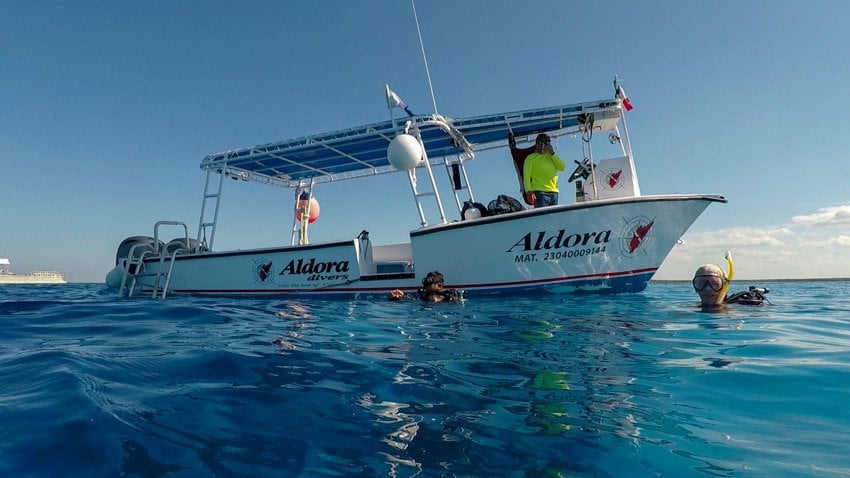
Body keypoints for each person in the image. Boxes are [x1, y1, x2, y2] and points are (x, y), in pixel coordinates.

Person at [692, 252, 769, 307]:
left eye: (715, 283)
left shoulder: (743, 306)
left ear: (725, 286)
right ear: (695, 288)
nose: (708, 289)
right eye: (701, 283)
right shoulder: (691, 308)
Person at [523, 133, 565, 208]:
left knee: (553, 217)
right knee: (543, 217)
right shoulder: (531, 158)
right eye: (544, 143)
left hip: (554, 192)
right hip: (539, 192)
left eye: (548, 143)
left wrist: (552, 154)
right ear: (537, 144)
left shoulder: (551, 157)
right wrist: (528, 191)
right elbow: (526, 176)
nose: (546, 146)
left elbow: (562, 167)